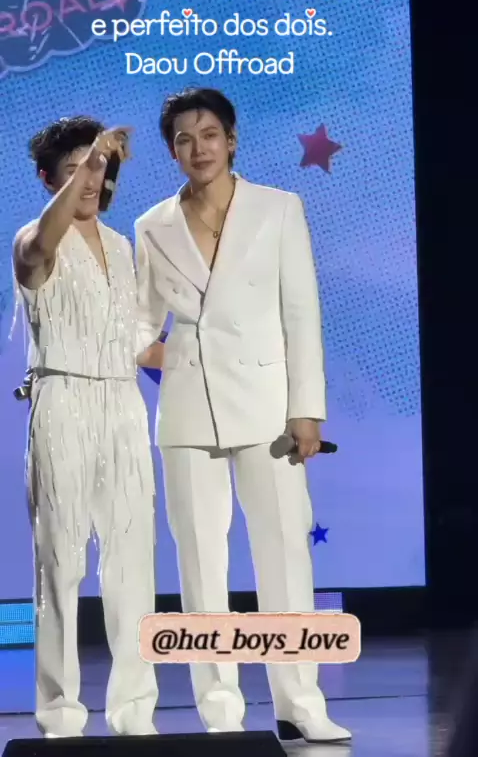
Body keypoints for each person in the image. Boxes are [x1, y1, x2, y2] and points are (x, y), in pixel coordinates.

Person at [135, 87, 351, 744]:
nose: (197, 148)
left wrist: (307, 410)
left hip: (268, 407)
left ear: (230, 140)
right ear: (172, 151)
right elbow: (140, 325)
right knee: (201, 564)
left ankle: (301, 701)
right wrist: (171, 355)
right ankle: (221, 710)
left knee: (285, 553)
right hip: (188, 409)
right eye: (183, 139)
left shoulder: (278, 208)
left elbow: (301, 314)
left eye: (208, 134)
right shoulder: (152, 225)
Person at [12, 117, 162, 738]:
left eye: (98, 167)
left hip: (122, 405)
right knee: (61, 563)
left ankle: (135, 713)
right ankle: (60, 717)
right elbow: (40, 250)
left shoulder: (124, 248)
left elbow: (138, 344)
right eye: (75, 170)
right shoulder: (32, 238)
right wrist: (95, 153)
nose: (91, 180)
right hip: (63, 399)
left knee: (133, 564)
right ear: (48, 180)